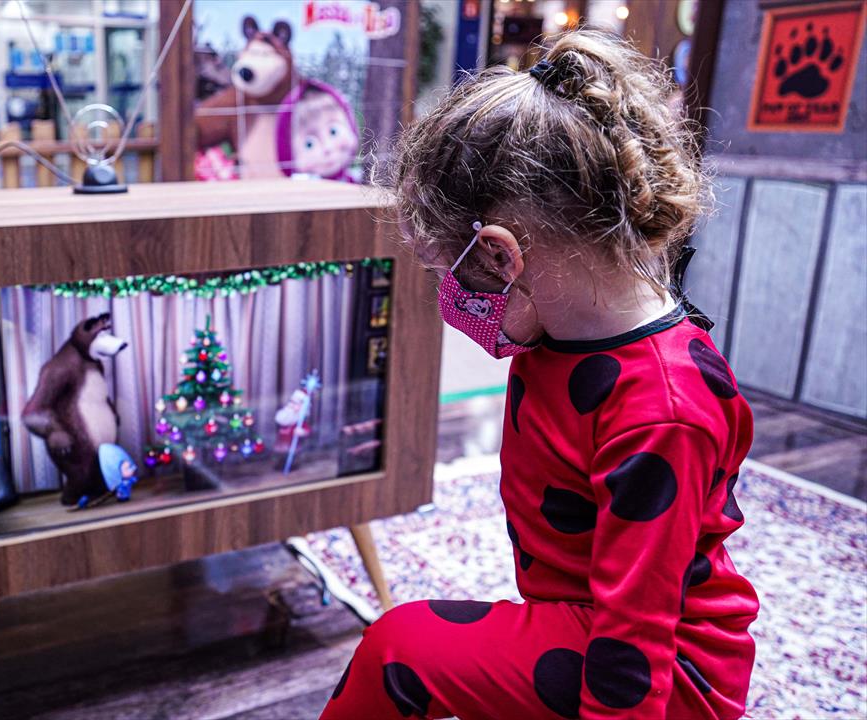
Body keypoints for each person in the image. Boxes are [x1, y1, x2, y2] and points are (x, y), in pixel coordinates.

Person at [322, 29, 759, 720]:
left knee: (400, 646)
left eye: (446, 271)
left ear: (500, 257)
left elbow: (635, 641)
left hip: (668, 677)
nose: (451, 297)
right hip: (581, 615)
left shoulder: (663, 408)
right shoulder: (558, 329)